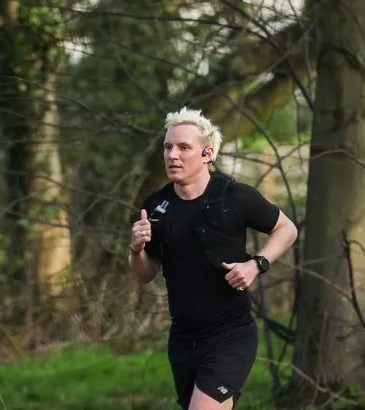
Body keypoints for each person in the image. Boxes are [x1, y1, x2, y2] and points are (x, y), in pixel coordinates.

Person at [128, 107, 298, 410]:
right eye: (168, 147)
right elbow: (145, 274)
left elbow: (286, 229)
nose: (172, 155)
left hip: (230, 335)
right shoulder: (156, 205)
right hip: (183, 340)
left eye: (183, 148)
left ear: (207, 153)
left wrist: (256, 264)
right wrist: (136, 250)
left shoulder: (233, 196)